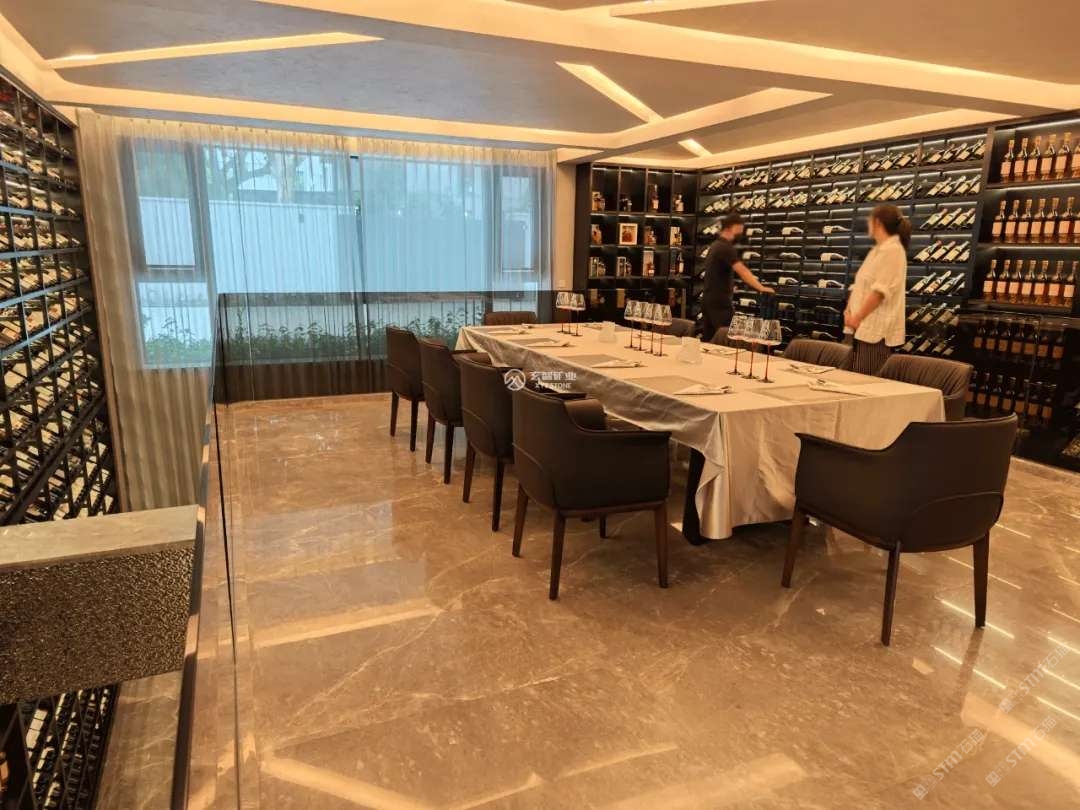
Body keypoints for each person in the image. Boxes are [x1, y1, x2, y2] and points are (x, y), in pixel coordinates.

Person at [844, 204, 909, 374]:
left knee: (864, 382)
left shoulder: (894, 251)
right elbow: (859, 286)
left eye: (869, 220)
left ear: (877, 222)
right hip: (856, 328)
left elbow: (880, 292)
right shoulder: (876, 251)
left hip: (874, 332)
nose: (868, 223)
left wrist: (857, 317)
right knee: (846, 379)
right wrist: (848, 312)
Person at [700, 213, 774, 342]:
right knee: (728, 338)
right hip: (720, 302)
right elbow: (742, 271)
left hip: (708, 299)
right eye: (739, 230)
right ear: (729, 228)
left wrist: (729, 285)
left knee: (709, 339)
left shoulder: (715, 245)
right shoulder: (726, 248)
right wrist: (761, 287)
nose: (741, 234)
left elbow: (717, 272)